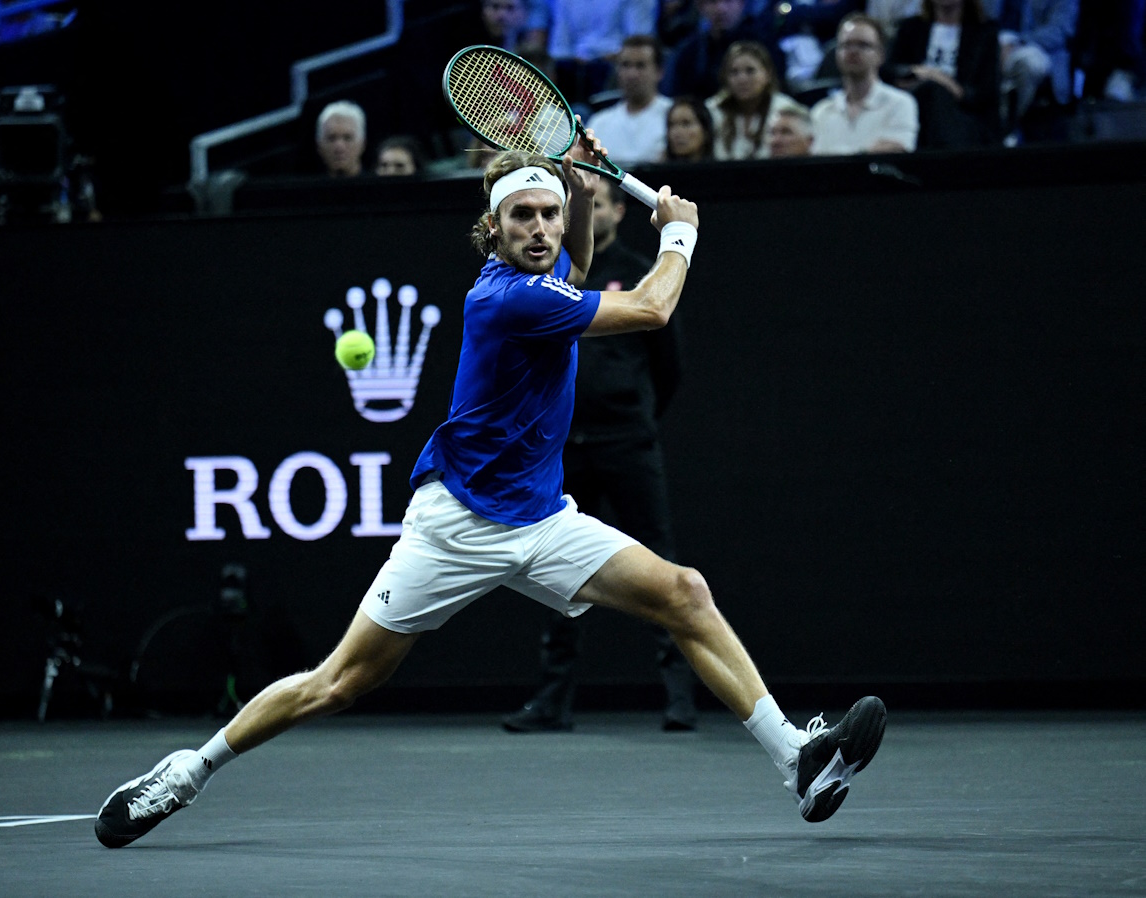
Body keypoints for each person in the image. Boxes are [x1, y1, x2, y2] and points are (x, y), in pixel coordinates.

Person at [94, 124, 887, 850]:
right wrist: (679, 231)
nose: (541, 230)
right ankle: (186, 774)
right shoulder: (504, 298)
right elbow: (649, 306)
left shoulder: (542, 277)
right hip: (456, 526)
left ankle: (799, 759)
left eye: (549, 215)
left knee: (684, 592)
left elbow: (572, 261)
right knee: (338, 683)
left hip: (543, 519)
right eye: (525, 219)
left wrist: (574, 189)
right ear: (494, 232)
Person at [501, 179, 697, 734]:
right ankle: (552, 701)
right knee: (554, 576)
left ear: (618, 212)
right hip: (564, 449)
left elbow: (668, 361)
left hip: (626, 443)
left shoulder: (642, 270)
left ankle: (680, 697)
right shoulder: (546, 280)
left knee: (661, 568)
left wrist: (630, 415)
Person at [887, 0, 1002, 148]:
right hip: (914, 103)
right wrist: (916, 72)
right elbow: (890, 70)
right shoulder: (910, 27)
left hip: (963, 112)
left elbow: (986, 90)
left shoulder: (984, 31)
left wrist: (942, 81)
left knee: (934, 93)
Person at [810, 13, 920, 154]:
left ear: (880, 55)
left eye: (863, 45)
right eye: (846, 45)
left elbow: (897, 150)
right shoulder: (821, 112)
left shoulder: (900, 104)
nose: (853, 51)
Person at [661, 0, 786, 101]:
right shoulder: (689, 53)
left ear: (741, 4)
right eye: (712, 2)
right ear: (700, 7)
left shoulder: (765, 45)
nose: (720, 9)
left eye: (728, 1)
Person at [706, 40, 808, 159]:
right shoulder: (712, 110)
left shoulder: (787, 110)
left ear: (768, 74)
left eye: (750, 71)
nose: (742, 79)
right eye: (734, 72)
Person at [584, 34, 674, 167]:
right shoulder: (598, 123)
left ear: (659, 71)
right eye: (626, 65)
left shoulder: (673, 116)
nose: (632, 74)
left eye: (640, 66)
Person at [547, 0, 660, 105]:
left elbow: (638, 42)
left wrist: (615, 55)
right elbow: (559, 47)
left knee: (618, 66)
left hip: (612, 61)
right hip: (575, 65)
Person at [995, 0, 1079, 133]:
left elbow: (1058, 33)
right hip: (999, 42)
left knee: (1030, 63)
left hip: (1039, 49)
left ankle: (1011, 126)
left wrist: (1019, 42)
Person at [315, 99, 366, 178]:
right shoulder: (304, 189)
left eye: (347, 138)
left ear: (363, 143)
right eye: (331, 138)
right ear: (319, 145)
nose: (339, 147)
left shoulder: (379, 188)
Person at [663, 92, 715, 159]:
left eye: (686, 124)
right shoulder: (655, 168)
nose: (677, 133)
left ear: (705, 131)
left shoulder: (723, 168)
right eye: (671, 125)